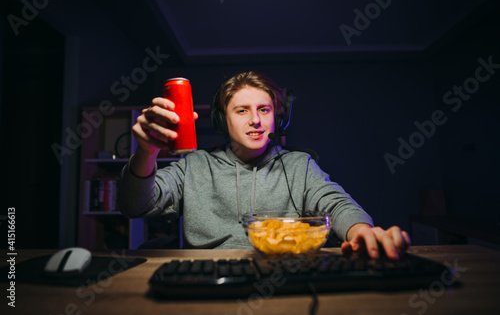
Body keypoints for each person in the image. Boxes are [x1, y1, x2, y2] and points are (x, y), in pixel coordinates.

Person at [117, 71, 411, 259]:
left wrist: (362, 231)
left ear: (277, 119)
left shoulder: (299, 166)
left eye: (264, 110)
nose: (255, 120)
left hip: (282, 278)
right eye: (242, 110)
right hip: (210, 281)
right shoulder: (193, 165)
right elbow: (135, 205)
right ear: (222, 120)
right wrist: (147, 152)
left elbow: (336, 204)